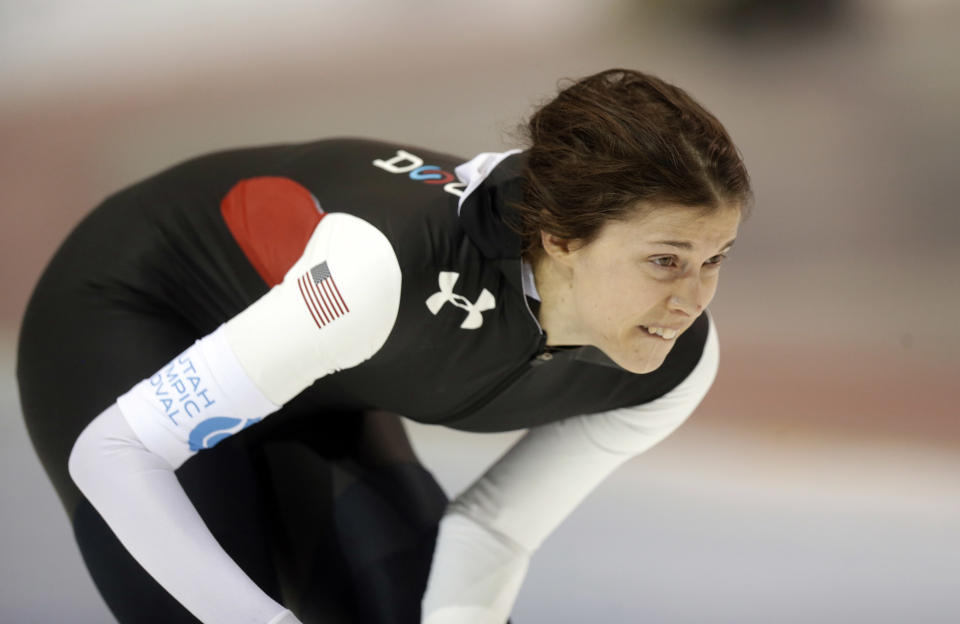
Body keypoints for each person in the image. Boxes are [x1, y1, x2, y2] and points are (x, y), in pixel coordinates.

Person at [17, 68, 751, 624]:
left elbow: (492, 529)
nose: (691, 300)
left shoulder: (671, 369)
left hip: (323, 377)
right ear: (561, 239)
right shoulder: (384, 270)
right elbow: (117, 453)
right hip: (149, 309)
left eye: (715, 258)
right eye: (665, 260)